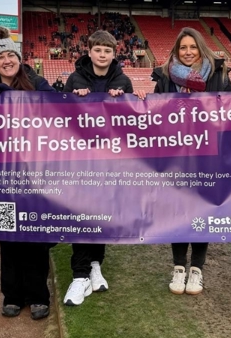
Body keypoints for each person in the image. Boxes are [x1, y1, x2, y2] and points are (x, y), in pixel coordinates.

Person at [150, 27, 231, 296]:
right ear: (176, 50)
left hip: (208, 154)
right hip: (176, 154)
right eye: (183, 48)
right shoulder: (165, 76)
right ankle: (178, 266)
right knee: (178, 208)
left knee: (204, 208)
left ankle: (197, 269)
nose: (188, 52)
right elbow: (155, 110)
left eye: (192, 47)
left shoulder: (218, 73)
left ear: (200, 48)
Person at [0, 27, 55, 320]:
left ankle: (38, 295)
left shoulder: (38, 84)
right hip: (0, 180)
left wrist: (15, 97)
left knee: (35, 238)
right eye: (0, 56)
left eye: (11, 55)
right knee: (9, 238)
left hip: (35, 178)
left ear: (19, 58)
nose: (6, 60)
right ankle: (13, 295)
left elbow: (61, 110)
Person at [62, 30, 146, 306]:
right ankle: (79, 273)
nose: (102, 55)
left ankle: (96, 264)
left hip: (110, 160)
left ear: (114, 53)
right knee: (81, 214)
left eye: (107, 51)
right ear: (89, 51)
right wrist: (74, 98)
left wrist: (123, 100)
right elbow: (60, 116)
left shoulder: (123, 80)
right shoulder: (75, 78)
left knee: (101, 214)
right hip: (80, 160)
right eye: (97, 50)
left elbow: (131, 120)